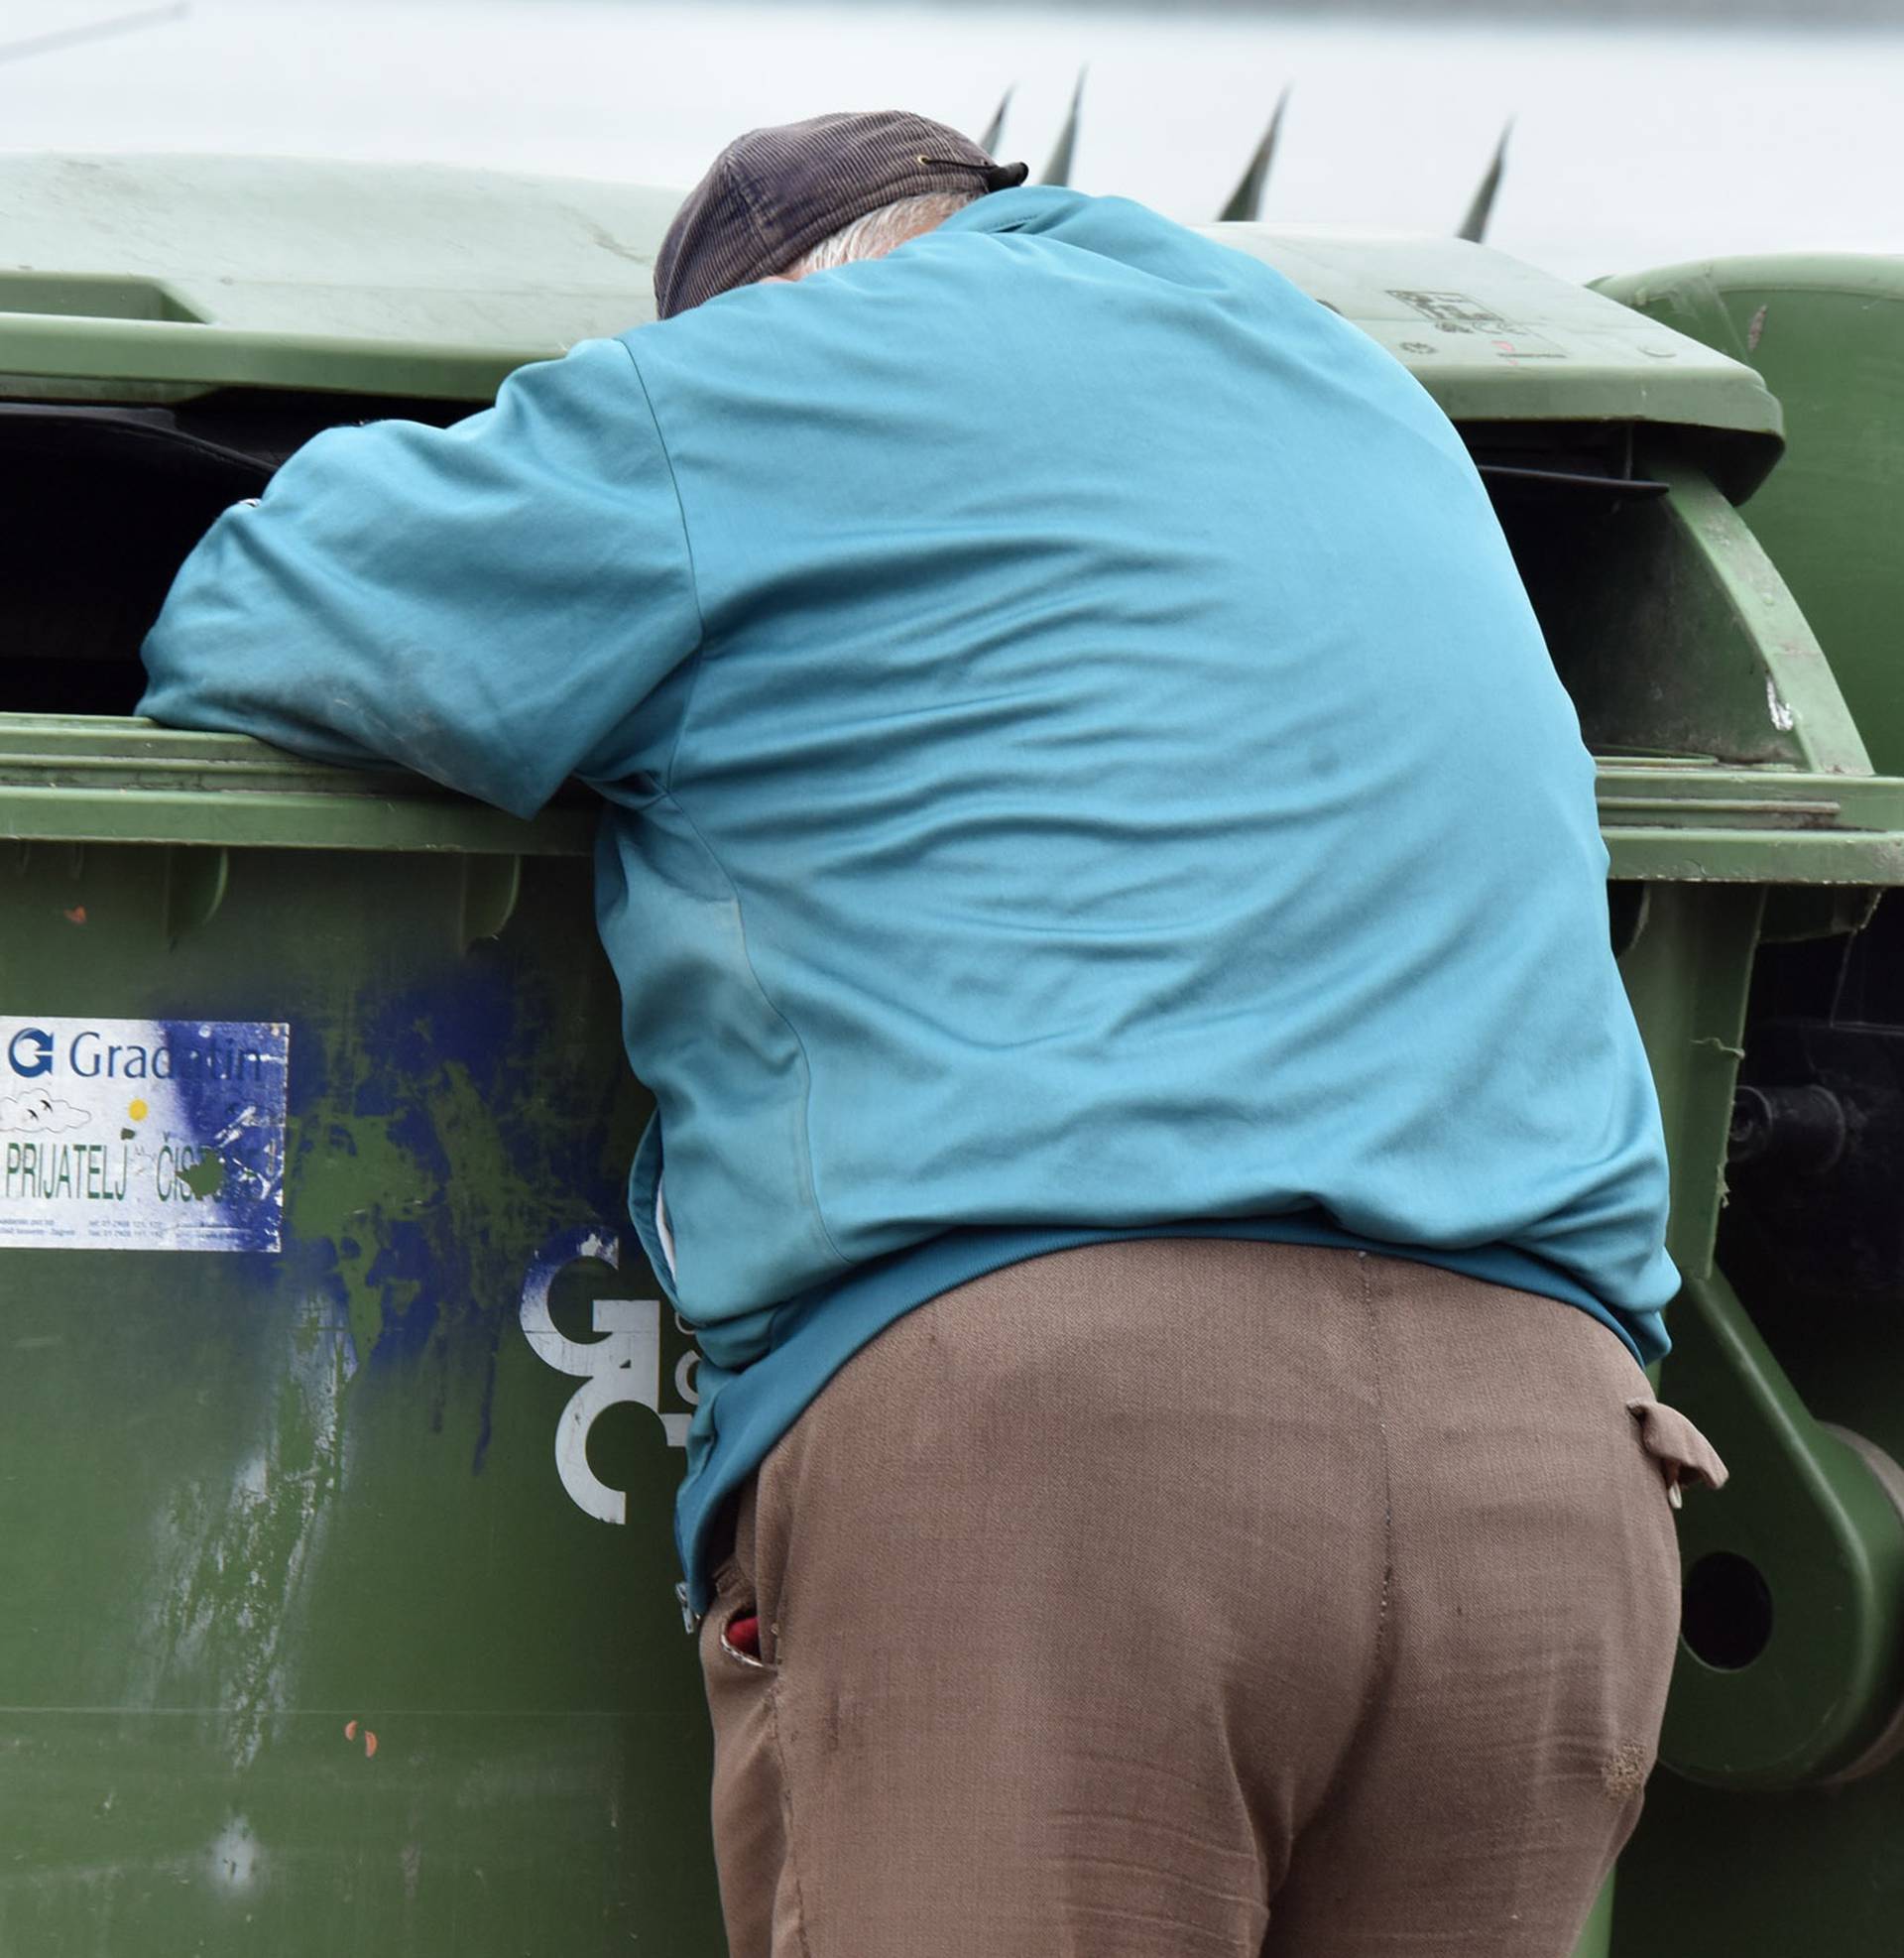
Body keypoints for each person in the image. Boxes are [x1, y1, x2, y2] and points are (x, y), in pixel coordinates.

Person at [139, 110, 1725, 1958]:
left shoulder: (761, 382)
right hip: (1555, 1480)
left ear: (780, 291)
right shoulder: (1367, 402)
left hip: (1075, 1479)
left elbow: (261, 609)